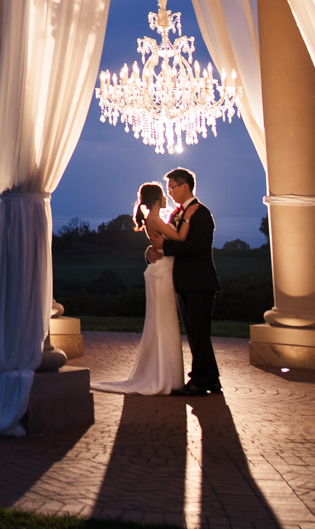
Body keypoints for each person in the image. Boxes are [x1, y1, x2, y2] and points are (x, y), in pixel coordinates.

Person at [90, 182, 186, 395]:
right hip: (161, 273)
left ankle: (163, 373)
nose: (166, 198)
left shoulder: (155, 219)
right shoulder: (155, 219)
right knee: (163, 322)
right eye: (163, 194)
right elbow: (179, 239)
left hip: (160, 271)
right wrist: (185, 219)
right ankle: (162, 376)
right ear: (156, 199)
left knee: (163, 321)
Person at [153, 166, 222, 395]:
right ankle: (211, 379)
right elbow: (167, 240)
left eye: (172, 187)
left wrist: (167, 247)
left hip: (200, 282)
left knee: (199, 332)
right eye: (168, 188)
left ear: (185, 186)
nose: (169, 192)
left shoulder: (200, 213)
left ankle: (199, 381)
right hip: (183, 282)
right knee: (193, 332)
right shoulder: (176, 214)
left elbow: (198, 246)